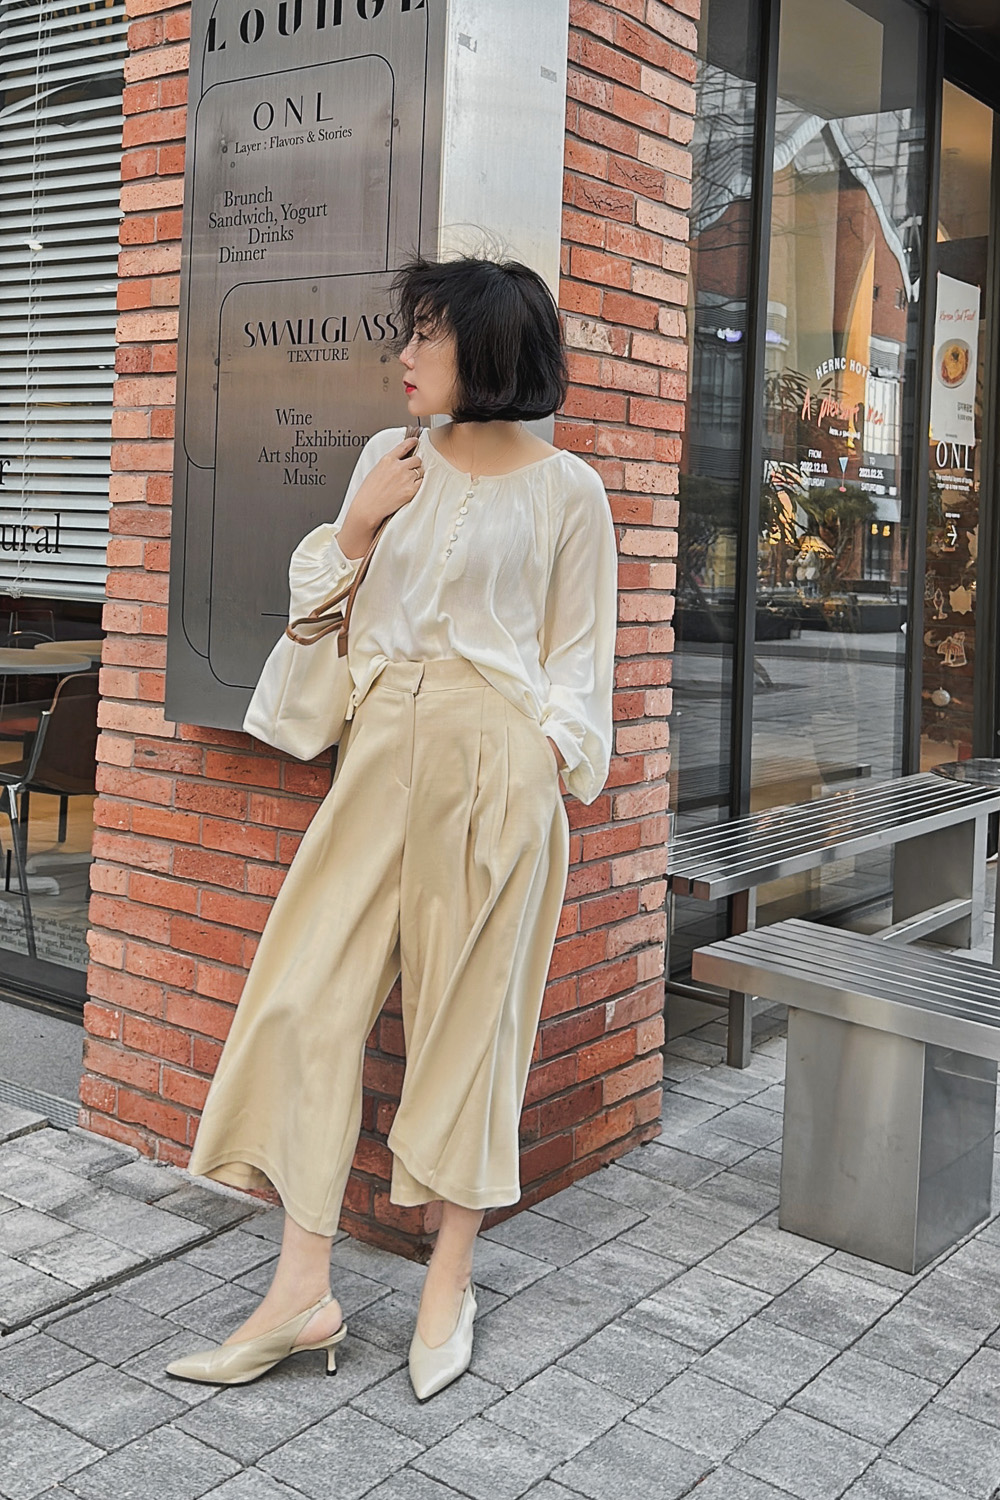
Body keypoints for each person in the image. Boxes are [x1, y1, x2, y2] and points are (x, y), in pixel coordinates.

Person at [164, 254, 619, 1400]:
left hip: (495, 763)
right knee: (303, 1001)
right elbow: (321, 617)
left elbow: (579, 667)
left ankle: (446, 1282)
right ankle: (301, 1292)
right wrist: (358, 529)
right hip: (378, 753)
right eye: (406, 332)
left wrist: (538, 759)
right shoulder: (388, 459)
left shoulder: (569, 492)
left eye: (426, 335)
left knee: (473, 1027)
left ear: (490, 349)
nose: (403, 355)